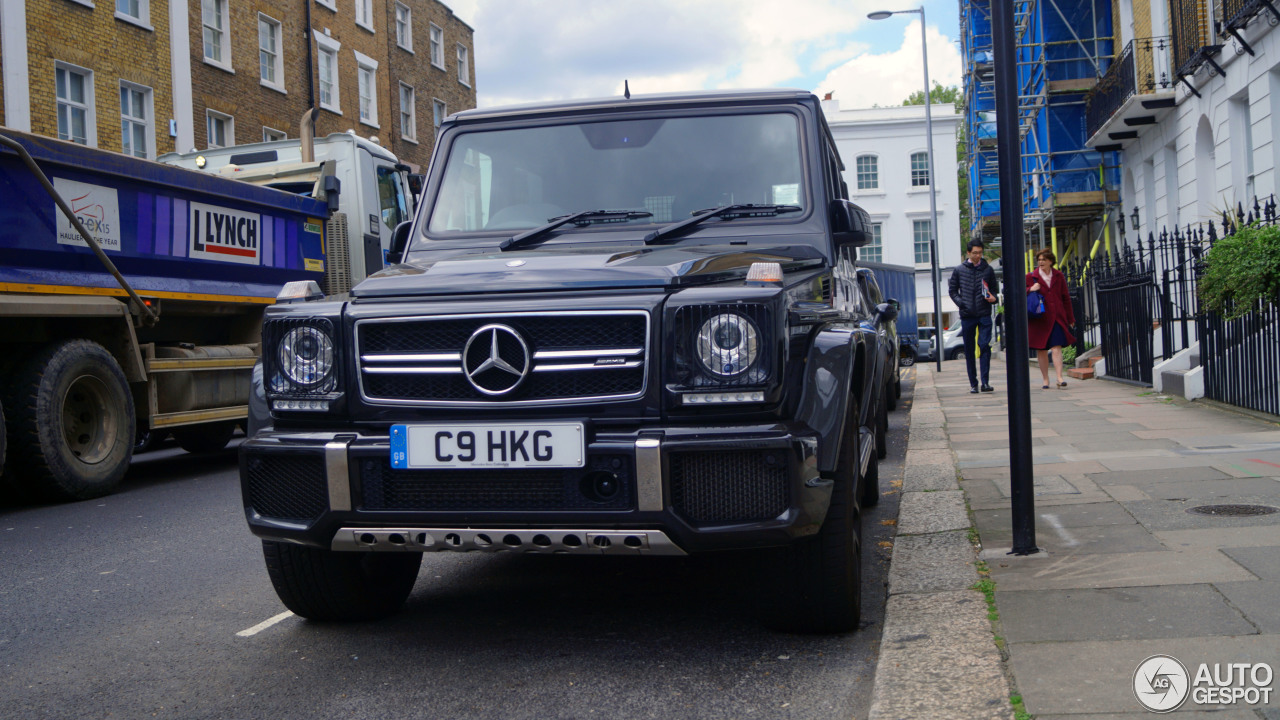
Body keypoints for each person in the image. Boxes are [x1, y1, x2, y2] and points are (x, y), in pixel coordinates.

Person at [948, 238, 1000, 393]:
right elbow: (952, 291)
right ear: (968, 253)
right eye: (975, 253)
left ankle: (985, 382)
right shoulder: (959, 270)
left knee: (984, 346)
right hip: (967, 315)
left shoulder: (988, 269)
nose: (978, 256)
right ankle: (973, 383)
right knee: (969, 350)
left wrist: (994, 298)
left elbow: (994, 290)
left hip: (984, 313)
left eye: (980, 253)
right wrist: (961, 303)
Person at [1026, 249, 1076, 389]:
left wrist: (1070, 317)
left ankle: (1060, 377)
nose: (1041, 262)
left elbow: (1065, 297)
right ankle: (1045, 379)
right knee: (1041, 349)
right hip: (1039, 317)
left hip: (1056, 317)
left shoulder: (1059, 276)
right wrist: (1030, 289)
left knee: (1056, 347)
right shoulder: (1031, 277)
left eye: (1044, 259)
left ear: (1050, 261)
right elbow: (1018, 293)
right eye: (1039, 260)